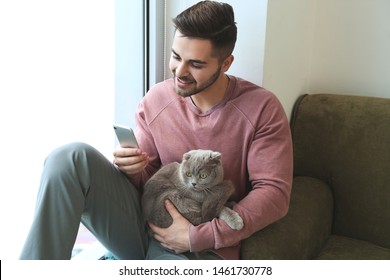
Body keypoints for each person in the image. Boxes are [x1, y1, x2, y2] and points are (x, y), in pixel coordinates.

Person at [20, 0, 292, 260]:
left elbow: (274, 194)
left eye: (196, 64)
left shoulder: (261, 108)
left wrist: (196, 236)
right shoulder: (157, 100)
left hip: (201, 246)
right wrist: (134, 168)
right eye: (176, 57)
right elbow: (149, 179)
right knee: (69, 158)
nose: (180, 71)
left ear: (225, 64)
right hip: (144, 224)